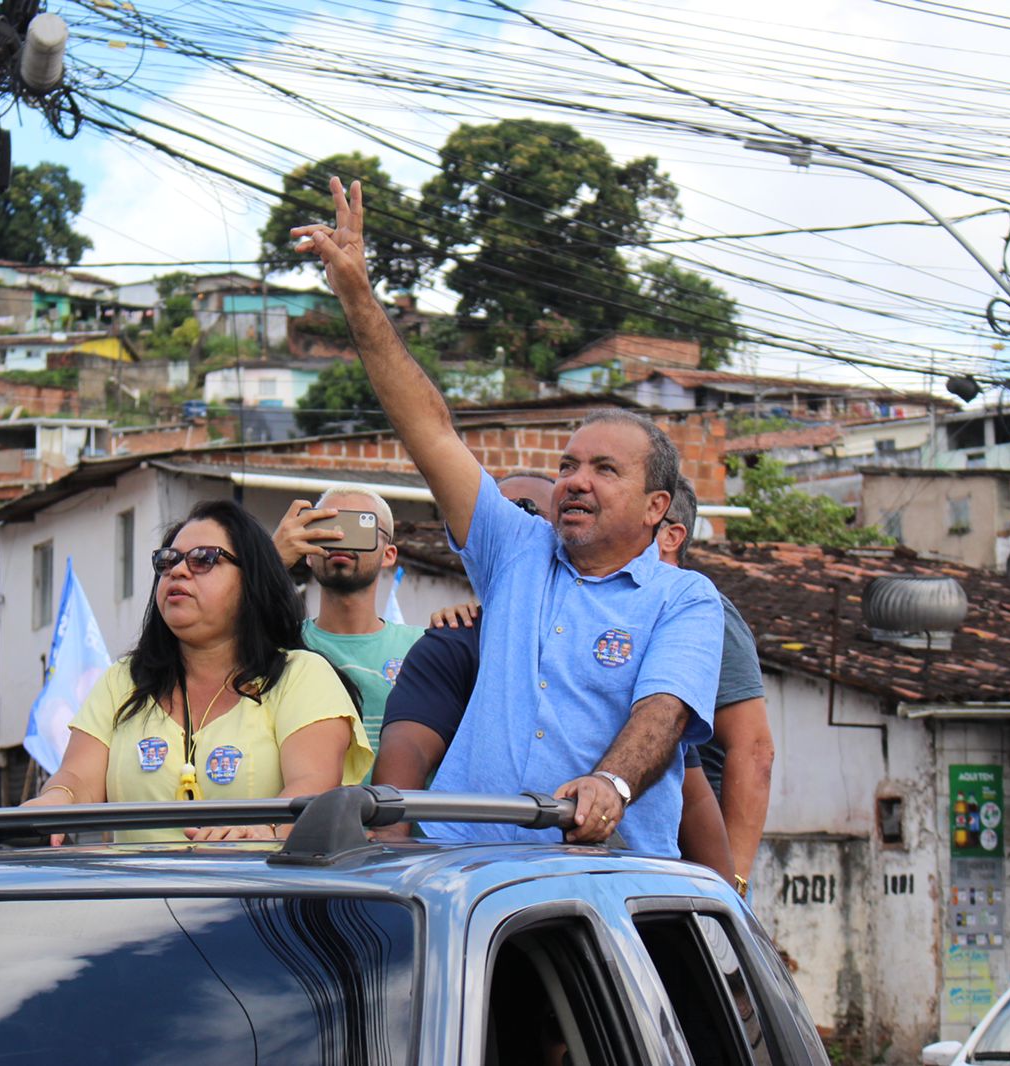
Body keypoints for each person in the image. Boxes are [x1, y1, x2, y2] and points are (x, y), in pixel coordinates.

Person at [294, 179, 722, 851]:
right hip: (467, 870)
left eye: (604, 470)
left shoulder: (687, 599)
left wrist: (610, 784)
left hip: (607, 885)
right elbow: (431, 431)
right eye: (568, 466)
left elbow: (663, 715)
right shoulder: (517, 549)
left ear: (656, 508)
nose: (574, 483)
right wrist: (357, 294)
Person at [374, 475, 736, 882]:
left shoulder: (674, 610)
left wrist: (727, 907)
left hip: (612, 884)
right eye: (498, 516)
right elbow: (406, 750)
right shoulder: (454, 642)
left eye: (529, 517)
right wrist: (391, 863)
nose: (509, 527)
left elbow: (682, 768)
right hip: (473, 879)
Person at [24, 499, 373, 842]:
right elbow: (77, 778)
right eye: (167, 561)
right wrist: (58, 796)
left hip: (258, 893)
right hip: (135, 897)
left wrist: (265, 831)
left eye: (204, 559)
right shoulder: (122, 680)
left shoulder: (302, 676)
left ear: (252, 579)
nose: (177, 570)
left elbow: (313, 785)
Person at [656, 475, 775, 886]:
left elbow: (754, 749)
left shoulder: (704, 611)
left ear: (671, 535)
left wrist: (731, 884)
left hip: (699, 865)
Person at [272, 487, 424, 754]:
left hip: (399, 797)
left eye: (359, 527)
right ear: (308, 553)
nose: (340, 538)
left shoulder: (424, 647)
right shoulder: (278, 646)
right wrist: (271, 559)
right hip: (309, 796)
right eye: (327, 528)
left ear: (388, 554)